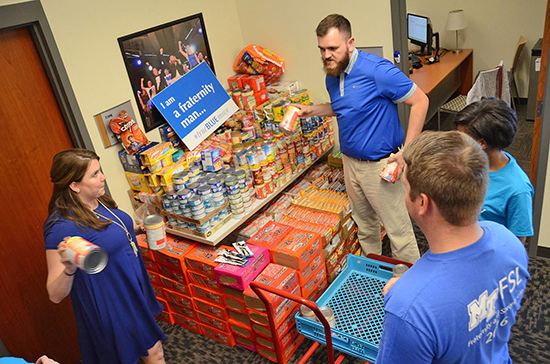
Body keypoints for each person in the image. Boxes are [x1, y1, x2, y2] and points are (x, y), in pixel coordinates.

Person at [377, 131, 529, 363]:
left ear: (422, 202)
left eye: (406, 186)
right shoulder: (509, 242)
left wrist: (411, 295)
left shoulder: (408, 311)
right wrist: (415, 290)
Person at [293, 14, 428, 263]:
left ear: (350, 43)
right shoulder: (332, 73)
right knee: (366, 228)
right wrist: (312, 110)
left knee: (399, 233)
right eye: (322, 49)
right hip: (350, 164)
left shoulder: (378, 70)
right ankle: (373, 276)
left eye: (333, 48)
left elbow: (421, 101)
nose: (326, 55)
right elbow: (345, 106)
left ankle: (407, 289)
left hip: (380, 167)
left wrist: (407, 153)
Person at [43, 149, 166, 364]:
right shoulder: (61, 227)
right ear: (74, 185)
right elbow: (54, 293)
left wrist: (137, 229)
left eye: (100, 171)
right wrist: (69, 267)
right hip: (111, 303)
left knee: (153, 352)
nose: (103, 177)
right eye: (94, 174)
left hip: (131, 288)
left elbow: (109, 234)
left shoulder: (99, 200)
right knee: (146, 354)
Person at [454, 97, 534, 242]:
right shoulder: (466, 162)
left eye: (462, 138)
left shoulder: (518, 189)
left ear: (482, 143)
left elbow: (516, 243)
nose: (457, 143)